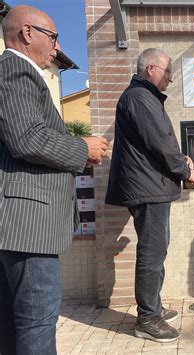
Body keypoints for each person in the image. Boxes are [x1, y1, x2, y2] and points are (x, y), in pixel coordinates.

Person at [0, 6, 109, 354]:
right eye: (53, 37)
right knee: (36, 320)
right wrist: (82, 148)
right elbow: (27, 138)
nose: (58, 47)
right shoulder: (15, 71)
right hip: (28, 228)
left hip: (23, 227)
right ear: (27, 33)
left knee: (16, 322)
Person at [105, 48, 194, 343]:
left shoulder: (142, 98)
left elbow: (155, 144)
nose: (171, 79)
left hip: (150, 185)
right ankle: (147, 319)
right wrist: (187, 173)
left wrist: (178, 159)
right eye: (168, 71)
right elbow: (159, 142)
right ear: (151, 69)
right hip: (147, 189)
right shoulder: (140, 98)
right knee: (152, 252)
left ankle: (154, 310)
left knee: (156, 250)